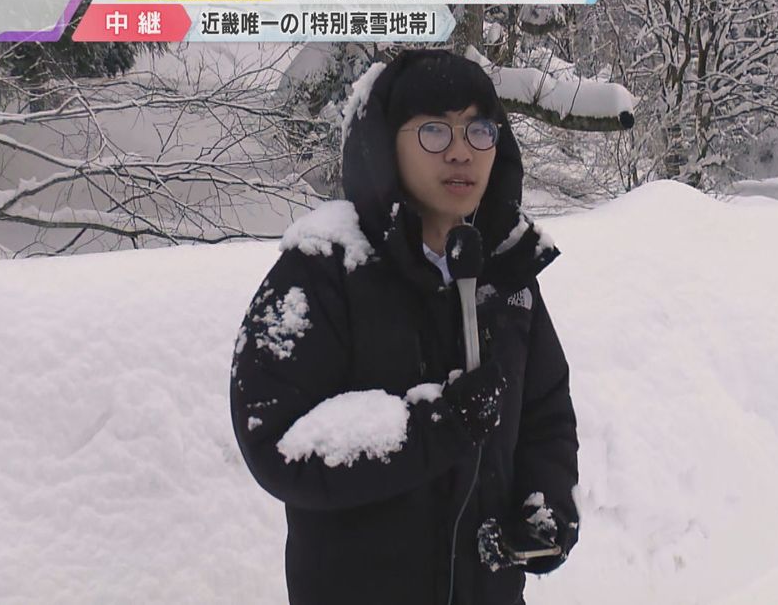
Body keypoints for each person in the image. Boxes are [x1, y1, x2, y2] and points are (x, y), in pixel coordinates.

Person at [229, 48, 580, 605]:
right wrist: (434, 426)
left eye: (479, 131)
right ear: (386, 142)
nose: (462, 153)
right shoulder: (325, 268)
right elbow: (278, 439)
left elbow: (546, 414)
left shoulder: (507, 274)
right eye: (435, 132)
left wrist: (546, 507)